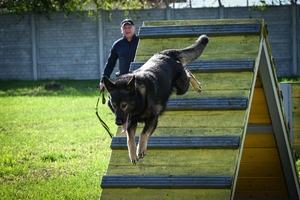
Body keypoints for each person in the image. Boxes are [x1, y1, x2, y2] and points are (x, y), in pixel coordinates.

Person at [99, 19, 139, 90]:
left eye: (129, 27)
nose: (127, 30)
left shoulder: (141, 42)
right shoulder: (117, 45)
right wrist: (103, 81)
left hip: (140, 79)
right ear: (121, 30)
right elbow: (110, 63)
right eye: (125, 28)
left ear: (134, 28)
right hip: (124, 81)